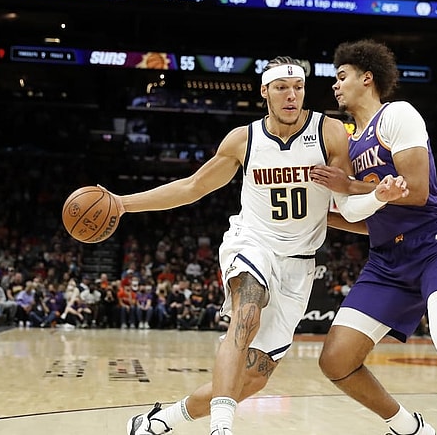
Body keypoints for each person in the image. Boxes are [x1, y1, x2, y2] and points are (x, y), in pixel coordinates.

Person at [107, 56, 408, 435]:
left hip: (299, 263)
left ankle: (159, 420)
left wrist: (382, 199)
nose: (291, 95)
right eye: (281, 88)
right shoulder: (243, 140)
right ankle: (221, 428)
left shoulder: (330, 132)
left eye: (297, 88)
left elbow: (346, 203)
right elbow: (192, 187)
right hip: (252, 243)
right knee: (246, 311)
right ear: (265, 91)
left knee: (252, 378)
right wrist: (122, 203)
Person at [310, 39, 437, 435]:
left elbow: (417, 189)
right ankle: (411, 428)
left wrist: (350, 185)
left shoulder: (397, 115)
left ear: (367, 78)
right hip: (386, 259)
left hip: (434, 245)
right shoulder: (348, 144)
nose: (335, 85)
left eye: (342, 76)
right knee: (336, 361)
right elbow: (362, 216)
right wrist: (317, 218)